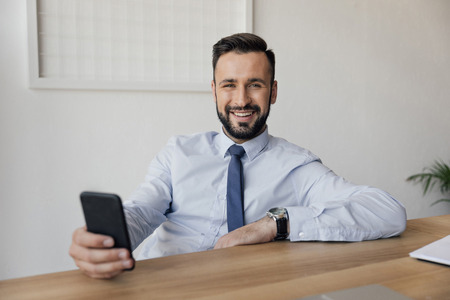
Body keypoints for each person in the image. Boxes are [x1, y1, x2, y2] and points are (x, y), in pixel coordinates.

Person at [69, 33, 407, 279]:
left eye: (255, 84)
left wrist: (275, 223)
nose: (241, 99)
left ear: (273, 91)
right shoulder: (178, 152)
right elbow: (142, 211)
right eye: (229, 84)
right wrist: (108, 238)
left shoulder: (298, 166)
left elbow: (387, 212)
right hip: (167, 285)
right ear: (213, 90)